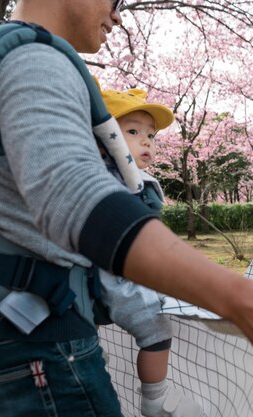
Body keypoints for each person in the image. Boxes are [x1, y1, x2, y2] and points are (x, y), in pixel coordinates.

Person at [0, 1, 253, 416]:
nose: (117, 16)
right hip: (34, 344)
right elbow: (75, 198)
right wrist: (242, 298)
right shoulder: (33, 58)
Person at [98, 85, 203, 417]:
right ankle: (155, 397)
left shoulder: (134, 178)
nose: (146, 141)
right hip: (114, 278)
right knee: (156, 328)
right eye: (132, 131)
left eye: (151, 135)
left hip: (109, 276)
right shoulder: (110, 179)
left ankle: (99, 367)